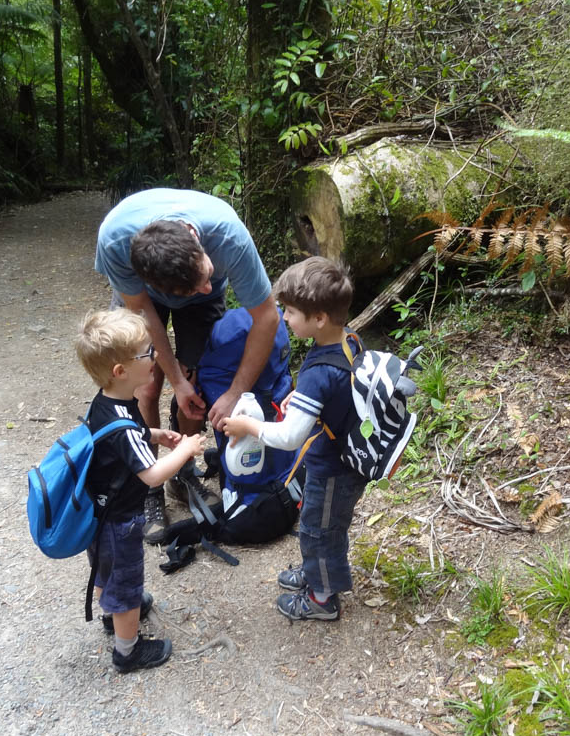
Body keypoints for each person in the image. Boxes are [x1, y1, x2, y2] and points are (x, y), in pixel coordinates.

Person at [95, 188, 280, 541]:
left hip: (199, 307)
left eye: (208, 273)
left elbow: (267, 317)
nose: (208, 285)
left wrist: (233, 391)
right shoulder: (115, 241)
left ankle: (182, 472)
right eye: (199, 284)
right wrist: (173, 380)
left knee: (196, 387)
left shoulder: (228, 238)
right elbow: (143, 313)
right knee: (144, 388)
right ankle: (148, 487)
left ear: (197, 241)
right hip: (143, 301)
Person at [223, 257, 365, 621]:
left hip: (334, 469)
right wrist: (302, 398)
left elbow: (288, 437)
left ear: (319, 318)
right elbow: (340, 388)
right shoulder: (348, 338)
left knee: (320, 530)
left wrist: (248, 427)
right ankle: (316, 570)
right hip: (341, 456)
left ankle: (322, 599)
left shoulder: (319, 373)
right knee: (319, 525)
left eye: (290, 311)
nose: (284, 317)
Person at [75, 308, 206, 672]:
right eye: (148, 352)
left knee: (108, 571)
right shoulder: (123, 425)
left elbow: (124, 436)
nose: (156, 356)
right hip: (120, 522)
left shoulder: (107, 403)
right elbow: (152, 476)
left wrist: (155, 435)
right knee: (128, 585)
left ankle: (111, 614)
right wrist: (184, 450)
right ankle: (127, 651)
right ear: (121, 371)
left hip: (101, 515)